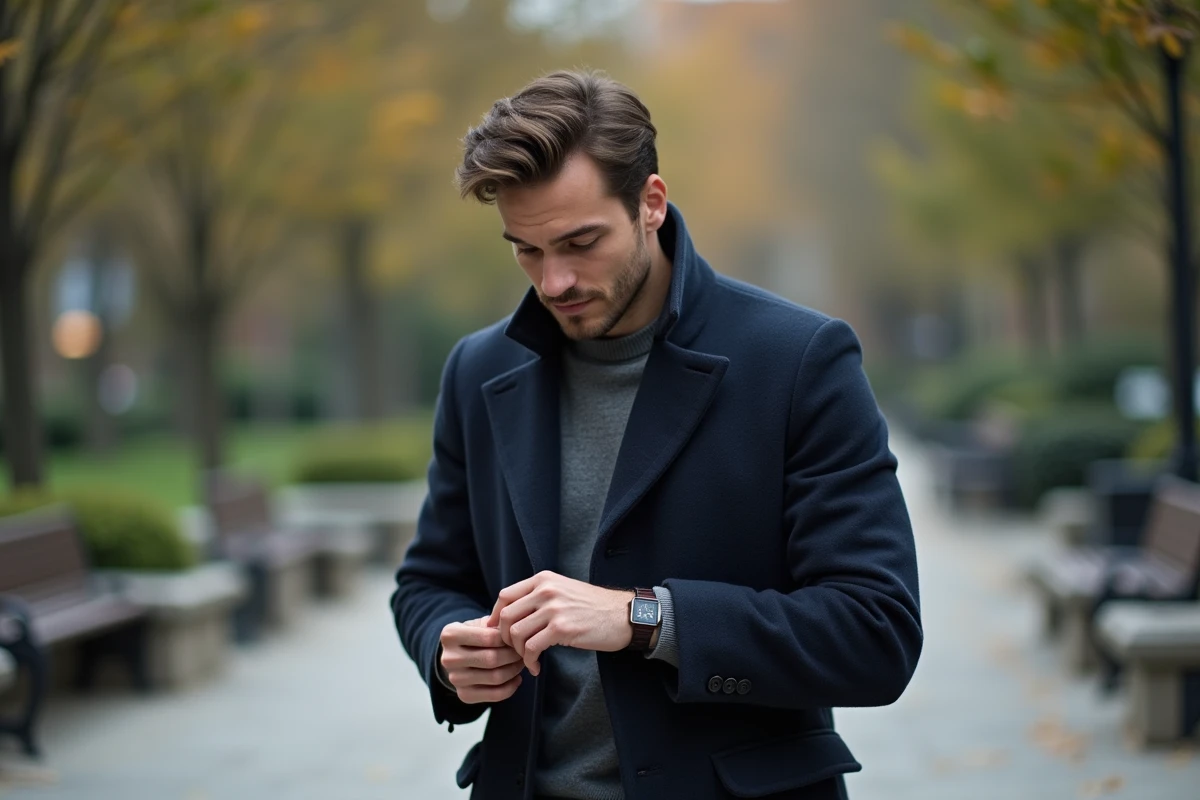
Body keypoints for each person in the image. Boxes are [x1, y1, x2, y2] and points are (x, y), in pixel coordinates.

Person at [390, 69, 922, 800]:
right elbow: (428, 580)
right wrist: (446, 648)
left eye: (581, 242)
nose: (554, 282)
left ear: (651, 203)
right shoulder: (479, 370)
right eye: (527, 249)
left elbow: (876, 632)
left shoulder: (799, 361)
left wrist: (644, 617)